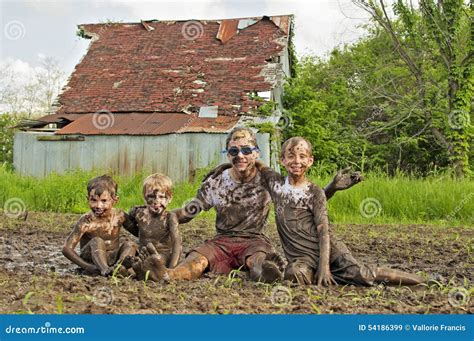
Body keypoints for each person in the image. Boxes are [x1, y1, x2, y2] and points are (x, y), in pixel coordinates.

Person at [132, 128, 360, 283]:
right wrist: (155, 212)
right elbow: (191, 211)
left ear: (256, 153)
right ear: (227, 153)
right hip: (222, 240)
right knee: (197, 261)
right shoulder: (217, 181)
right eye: (233, 151)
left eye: (246, 150)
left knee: (259, 262)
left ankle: (267, 273)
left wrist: (331, 188)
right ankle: (166, 274)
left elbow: (301, 202)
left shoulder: (269, 181)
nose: (240, 155)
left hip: (254, 240)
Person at [257, 136, 424, 286]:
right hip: (302, 258)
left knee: (363, 275)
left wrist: (325, 268)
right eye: (291, 156)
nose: (296, 161)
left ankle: (422, 280)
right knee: (294, 274)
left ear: (310, 161)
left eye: (302, 156)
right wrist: (231, 163)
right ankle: (283, 272)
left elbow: (324, 231)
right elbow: (255, 162)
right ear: (282, 160)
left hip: (332, 253)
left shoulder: (315, 192)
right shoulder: (275, 183)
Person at [62, 175, 136, 276]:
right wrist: (87, 267)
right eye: (94, 200)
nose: (98, 206)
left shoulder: (119, 216)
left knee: (130, 244)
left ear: (115, 200)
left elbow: (138, 232)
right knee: (97, 241)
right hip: (91, 259)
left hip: (112, 258)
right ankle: (105, 269)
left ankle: (120, 267)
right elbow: (67, 249)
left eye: (104, 201)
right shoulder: (86, 221)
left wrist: (140, 214)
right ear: (88, 199)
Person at [123, 173, 182, 271]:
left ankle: (145, 265)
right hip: (143, 253)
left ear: (170, 198)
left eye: (162, 197)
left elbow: (177, 243)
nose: (156, 201)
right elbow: (135, 229)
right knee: (130, 251)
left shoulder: (169, 217)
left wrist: (172, 269)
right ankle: (132, 268)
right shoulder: (140, 214)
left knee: (155, 260)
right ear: (144, 197)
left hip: (162, 255)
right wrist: (130, 214)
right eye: (151, 197)